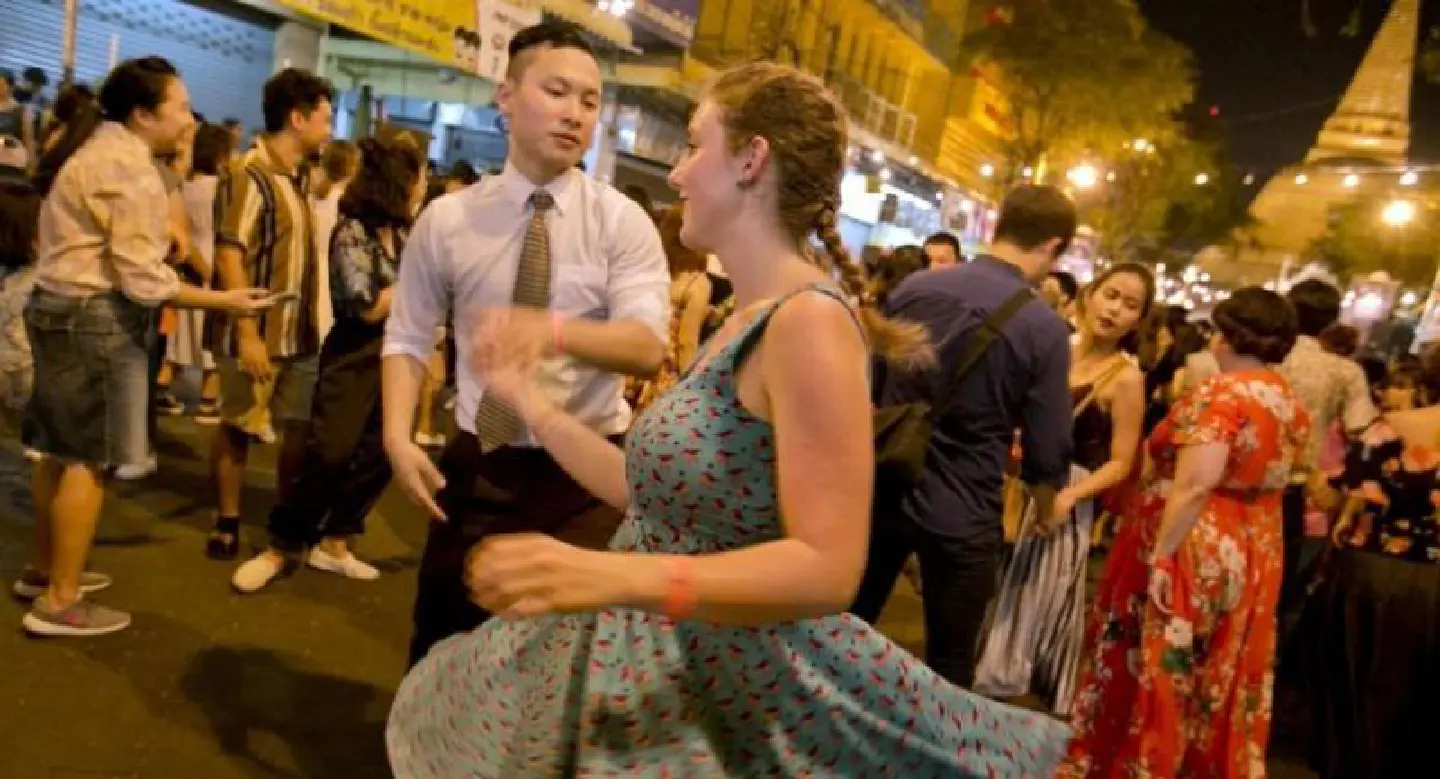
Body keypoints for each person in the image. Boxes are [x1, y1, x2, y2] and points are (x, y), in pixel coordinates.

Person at [386, 58, 1069, 779]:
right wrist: (529, 402)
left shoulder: (808, 323)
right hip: (669, 665)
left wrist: (610, 576)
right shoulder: (746, 315)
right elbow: (654, 495)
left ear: (751, 159)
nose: (677, 172)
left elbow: (828, 566)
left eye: (692, 145)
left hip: (719, 683)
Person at [381, 21, 669, 665]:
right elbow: (408, 334)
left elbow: (647, 346)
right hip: (481, 460)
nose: (575, 114)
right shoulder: (449, 219)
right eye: (557, 92)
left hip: (584, 477)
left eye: (590, 101)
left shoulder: (621, 222)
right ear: (506, 97)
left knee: (559, 664)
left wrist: (554, 332)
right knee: (444, 646)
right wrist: (398, 436)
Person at [12, 58, 274, 636]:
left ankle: (46, 571)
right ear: (142, 114)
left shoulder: (99, 151)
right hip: (95, 319)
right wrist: (226, 300)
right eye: (179, 106)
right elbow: (144, 282)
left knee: (56, 451)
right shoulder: (128, 168)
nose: (189, 118)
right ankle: (60, 601)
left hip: (60, 308)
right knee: (90, 458)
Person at [1061, 287, 1310, 777]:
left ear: (1226, 336)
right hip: (1254, 543)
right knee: (1219, 663)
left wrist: (1163, 554)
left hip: (1197, 538)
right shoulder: (1286, 399)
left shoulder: (1222, 394)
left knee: (1163, 659)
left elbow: (1196, 484)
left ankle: (1143, 763)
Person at [850, 185, 1075, 688]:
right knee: (950, 664)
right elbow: (1048, 441)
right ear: (1053, 246)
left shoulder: (916, 289)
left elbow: (877, 384)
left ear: (998, 225)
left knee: (843, 625)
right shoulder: (1044, 328)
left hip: (884, 483)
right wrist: (1045, 504)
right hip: (965, 505)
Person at [233, 130, 428, 592]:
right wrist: (422, 286)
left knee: (384, 449)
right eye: (418, 176)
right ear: (398, 181)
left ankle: (337, 541)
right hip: (355, 352)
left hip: (401, 351)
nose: (424, 185)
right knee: (330, 450)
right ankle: (283, 544)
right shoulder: (353, 231)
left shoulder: (405, 232)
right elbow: (366, 305)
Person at [974, 262, 1152, 714]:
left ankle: (1006, 715)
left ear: (1138, 320)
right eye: (1111, 295)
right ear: (1089, 295)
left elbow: (1121, 462)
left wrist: (1069, 498)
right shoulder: (1056, 348)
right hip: (1012, 482)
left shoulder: (1126, 378)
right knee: (986, 594)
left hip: (1066, 494)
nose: (1115, 309)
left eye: (1130, 305)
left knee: (1032, 609)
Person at [206, 68, 334, 559]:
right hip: (258, 330)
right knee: (238, 426)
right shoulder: (250, 173)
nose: (329, 130)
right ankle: (227, 520)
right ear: (297, 119)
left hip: (298, 333)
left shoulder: (298, 176)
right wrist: (247, 333)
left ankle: (285, 523)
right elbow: (229, 252)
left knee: (296, 431)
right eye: (324, 119)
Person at [1313, 343, 1440, 778]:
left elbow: (1336, 494)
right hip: (1430, 585)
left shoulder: (1391, 429)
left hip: (1373, 575)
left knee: (1362, 696)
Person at [1274, 279, 1377, 638]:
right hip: (1292, 492)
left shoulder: (1259, 357)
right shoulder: (1344, 372)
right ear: (1332, 320)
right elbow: (1367, 433)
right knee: (1279, 596)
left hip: (1229, 486)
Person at [624, 203, 712, 411]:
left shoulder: (650, 271)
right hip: (662, 379)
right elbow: (686, 343)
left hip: (631, 368)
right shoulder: (697, 283)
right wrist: (691, 389)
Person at [0, 69, 36, 181]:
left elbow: (28, 139)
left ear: (10, 87)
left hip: (10, 163)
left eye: (2, 85)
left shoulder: (21, 110)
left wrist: (31, 166)